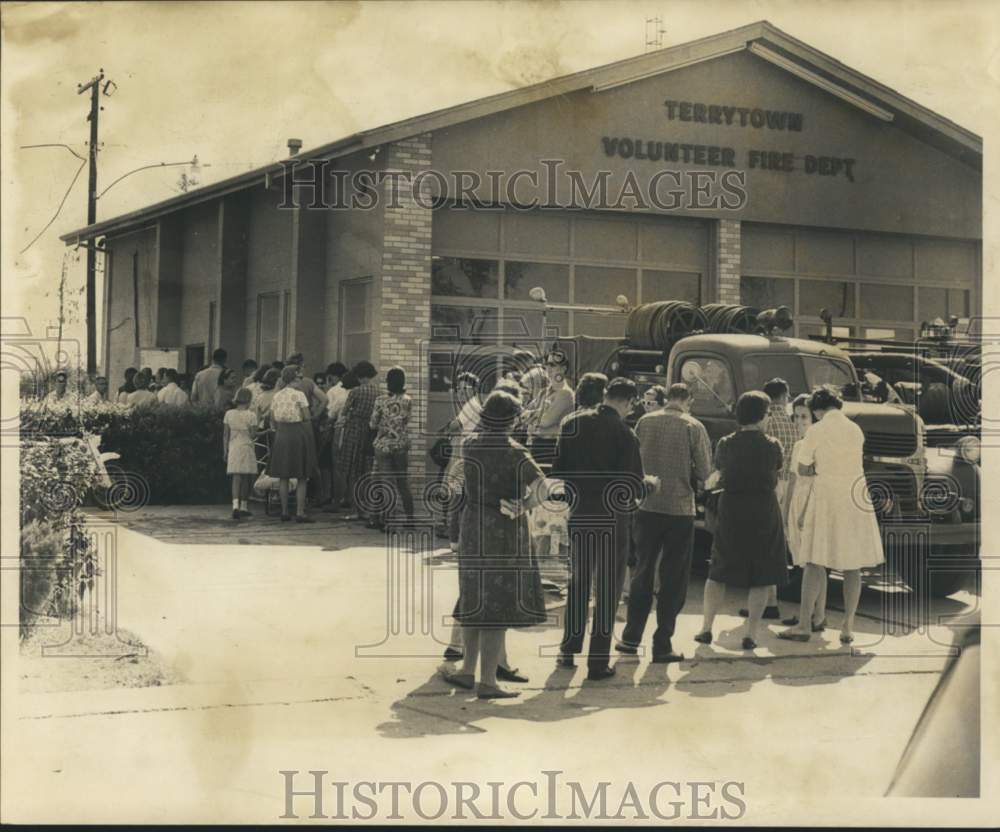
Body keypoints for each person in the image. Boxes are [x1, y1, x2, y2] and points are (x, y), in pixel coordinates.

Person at [442, 390, 549, 699]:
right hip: (503, 531)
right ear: (512, 420)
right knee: (496, 606)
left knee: (473, 598)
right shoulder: (516, 452)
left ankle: (466, 672)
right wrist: (523, 505)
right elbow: (542, 488)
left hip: (473, 524)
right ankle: (488, 681)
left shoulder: (470, 444)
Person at [552, 375, 652, 679]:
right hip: (613, 519)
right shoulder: (625, 434)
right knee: (608, 590)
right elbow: (634, 485)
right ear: (628, 401)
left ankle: (567, 650)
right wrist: (652, 485)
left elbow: (559, 471)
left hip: (581, 514)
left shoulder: (572, 423)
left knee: (579, 584)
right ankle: (597, 662)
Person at [779, 386, 885, 644]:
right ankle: (847, 626)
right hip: (855, 495)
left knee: (815, 561)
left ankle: (804, 624)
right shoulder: (855, 429)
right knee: (852, 564)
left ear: (817, 410)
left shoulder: (816, 430)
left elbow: (803, 469)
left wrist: (818, 466)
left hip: (827, 495)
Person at [620, 382, 712, 663]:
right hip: (679, 509)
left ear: (668, 398)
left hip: (646, 506)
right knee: (673, 578)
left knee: (642, 571)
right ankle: (662, 643)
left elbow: (632, 461)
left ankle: (630, 637)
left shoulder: (645, 422)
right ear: (688, 401)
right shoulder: (693, 426)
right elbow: (705, 471)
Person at [695, 391, 788, 650]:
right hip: (763, 510)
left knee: (718, 570)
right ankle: (751, 633)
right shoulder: (773, 445)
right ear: (761, 416)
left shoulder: (725, 443)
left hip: (732, 509)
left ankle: (706, 627)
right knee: (761, 573)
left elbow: (720, 470)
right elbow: (776, 473)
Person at [738, 377, 797, 620]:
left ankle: (766, 602)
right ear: (785, 396)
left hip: (767, 486)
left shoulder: (764, 420)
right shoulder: (795, 421)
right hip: (790, 482)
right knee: (777, 542)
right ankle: (771, 601)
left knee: (760, 544)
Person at [777, 394, 828, 633]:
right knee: (809, 563)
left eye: (804, 417)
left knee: (813, 563)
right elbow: (793, 480)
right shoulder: (798, 445)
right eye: (796, 416)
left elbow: (817, 482)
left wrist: (804, 512)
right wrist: (786, 510)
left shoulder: (819, 445)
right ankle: (816, 615)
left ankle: (812, 617)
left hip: (812, 504)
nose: (799, 421)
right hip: (797, 503)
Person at [268, 365, 316, 522]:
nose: (300, 380)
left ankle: (284, 511)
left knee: (284, 475)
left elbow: (272, 418)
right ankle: (300, 512)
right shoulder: (299, 395)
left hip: (281, 434)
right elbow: (306, 416)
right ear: (294, 378)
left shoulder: (277, 395)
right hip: (297, 432)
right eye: (299, 377)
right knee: (302, 475)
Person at [369, 366, 415, 528]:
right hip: (401, 444)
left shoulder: (380, 400)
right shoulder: (408, 400)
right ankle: (410, 520)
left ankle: (387, 522)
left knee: (386, 484)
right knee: (403, 483)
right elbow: (406, 420)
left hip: (383, 445)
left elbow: (373, 424)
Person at [442, 371, 483, 549]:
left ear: (473, 389)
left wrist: (447, 429)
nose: (460, 391)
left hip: (462, 456)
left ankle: (454, 539)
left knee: (456, 494)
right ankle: (458, 537)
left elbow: (455, 426)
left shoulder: (470, 405)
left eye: (465, 387)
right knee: (461, 495)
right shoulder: (471, 404)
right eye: (458, 388)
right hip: (466, 454)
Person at [340, 360, 380, 520]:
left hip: (354, 431)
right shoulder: (379, 392)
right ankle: (368, 508)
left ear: (359, 375)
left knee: (353, 471)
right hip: (370, 432)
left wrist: (350, 415)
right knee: (367, 470)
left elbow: (344, 412)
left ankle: (357, 510)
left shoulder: (355, 391)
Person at [524, 350, 575, 468]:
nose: (548, 368)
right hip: (536, 444)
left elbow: (546, 421)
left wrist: (532, 416)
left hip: (550, 447)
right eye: (546, 364)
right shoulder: (544, 392)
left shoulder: (565, 393)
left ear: (563, 369)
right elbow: (523, 414)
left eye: (552, 365)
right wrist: (535, 415)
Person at [224, 388, 259, 520]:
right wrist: (265, 431)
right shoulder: (251, 415)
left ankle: (235, 506)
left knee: (236, 477)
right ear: (249, 400)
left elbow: (225, 434)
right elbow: (253, 434)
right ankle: (244, 506)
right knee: (245, 478)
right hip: (247, 447)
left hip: (233, 447)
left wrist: (225, 450)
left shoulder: (229, 414)